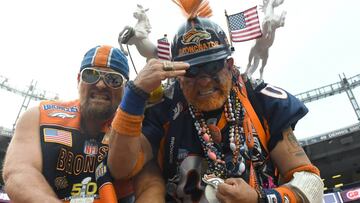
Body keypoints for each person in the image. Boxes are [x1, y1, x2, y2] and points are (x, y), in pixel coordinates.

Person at [107, 2, 324, 203]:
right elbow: (121, 168)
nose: (203, 81)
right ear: (178, 74)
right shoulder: (163, 110)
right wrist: (134, 95)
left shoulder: (261, 99)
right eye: (191, 70)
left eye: (212, 67)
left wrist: (261, 199)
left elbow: (311, 183)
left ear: (229, 65)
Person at [2, 45, 135, 203]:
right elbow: (19, 171)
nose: (100, 84)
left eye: (113, 79)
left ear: (125, 88)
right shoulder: (39, 116)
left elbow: (148, 183)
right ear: (79, 80)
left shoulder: (134, 128)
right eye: (91, 75)